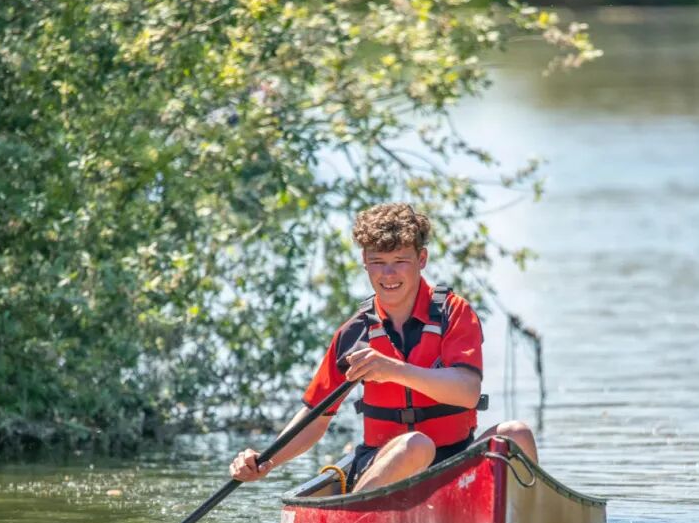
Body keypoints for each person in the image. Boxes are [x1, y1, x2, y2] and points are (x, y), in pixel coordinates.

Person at [228, 203, 538, 492]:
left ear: (422, 259)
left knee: (516, 434)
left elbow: (467, 391)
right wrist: (267, 461)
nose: (388, 275)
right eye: (377, 263)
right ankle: (354, 521)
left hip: (454, 461)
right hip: (383, 463)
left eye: (400, 262)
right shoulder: (355, 332)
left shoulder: (453, 314)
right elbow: (316, 415)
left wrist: (393, 370)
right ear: (365, 263)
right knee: (415, 445)